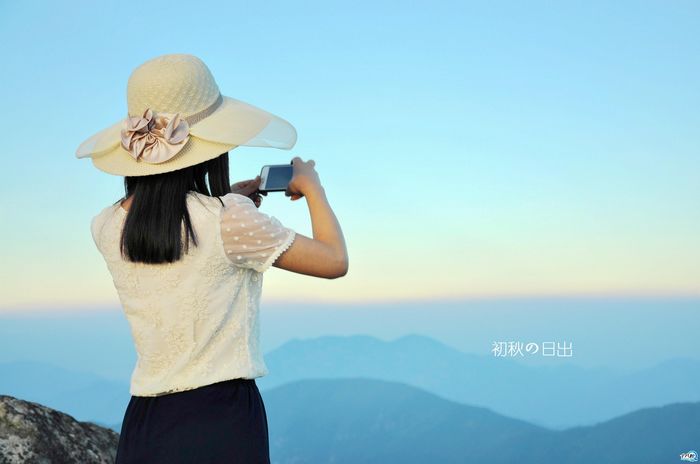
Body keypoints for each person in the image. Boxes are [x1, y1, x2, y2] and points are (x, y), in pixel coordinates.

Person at [75, 54, 348, 463]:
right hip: (222, 423)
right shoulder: (229, 221)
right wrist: (313, 188)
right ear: (211, 147)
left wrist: (229, 202)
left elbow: (174, 225)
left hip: (145, 425)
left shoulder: (106, 225)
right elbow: (333, 260)